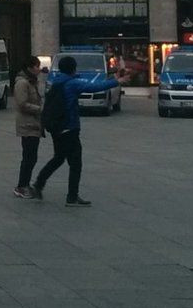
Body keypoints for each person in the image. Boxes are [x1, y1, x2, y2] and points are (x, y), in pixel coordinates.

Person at [32, 56, 130, 206]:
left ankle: (39, 184)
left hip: (57, 127)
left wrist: (114, 77)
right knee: (76, 163)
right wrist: (117, 81)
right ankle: (71, 196)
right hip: (69, 127)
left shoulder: (57, 82)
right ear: (73, 68)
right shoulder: (71, 84)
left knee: (58, 158)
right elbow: (94, 87)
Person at [13, 57, 43, 198]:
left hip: (33, 124)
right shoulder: (22, 83)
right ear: (30, 67)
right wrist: (40, 109)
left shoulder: (31, 82)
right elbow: (22, 103)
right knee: (28, 157)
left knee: (32, 157)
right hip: (27, 125)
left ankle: (24, 183)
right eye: (37, 66)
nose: (39, 69)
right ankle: (21, 185)